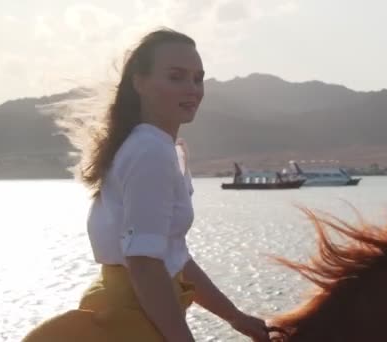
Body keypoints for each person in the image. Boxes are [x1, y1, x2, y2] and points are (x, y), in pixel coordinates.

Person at [23, 28, 269, 342]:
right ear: (139, 83)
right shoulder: (150, 151)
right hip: (135, 319)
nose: (192, 89)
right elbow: (143, 264)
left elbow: (174, 258)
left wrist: (235, 317)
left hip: (137, 309)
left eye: (197, 78)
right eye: (176, 77)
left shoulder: (163, 148)